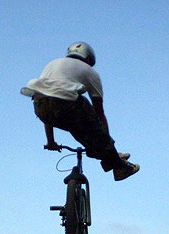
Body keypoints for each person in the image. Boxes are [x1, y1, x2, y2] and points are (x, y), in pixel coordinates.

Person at [21, 42, 139, 181]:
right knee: (90, 125)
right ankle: (118, 166)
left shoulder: (52, 64)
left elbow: (50, 100)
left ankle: (107, 156)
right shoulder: (90, 72)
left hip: (40, 106)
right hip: (68, 107)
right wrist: (107, 141)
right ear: (89, 59)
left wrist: (51, 141)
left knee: (77, 128)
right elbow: (99, 112)